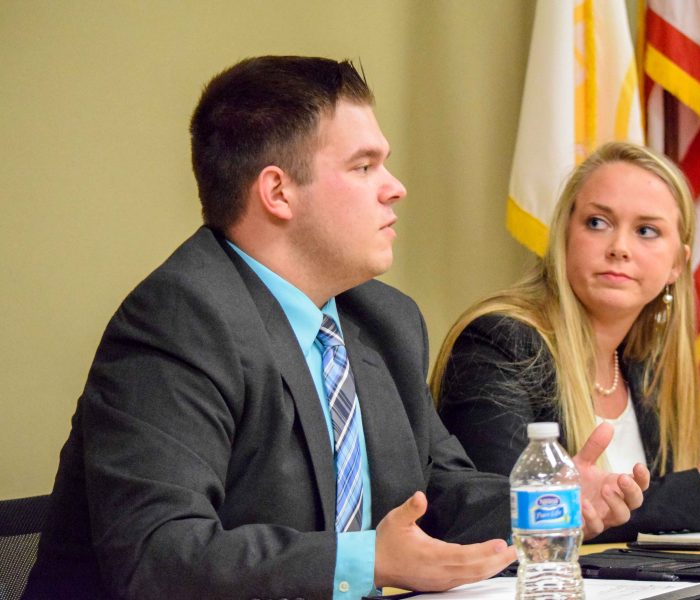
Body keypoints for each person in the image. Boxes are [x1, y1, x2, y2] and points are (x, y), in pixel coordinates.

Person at [23, 57, 649, 600]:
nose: (395, 188)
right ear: (278, 191)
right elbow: (158, 556)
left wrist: (545, 501)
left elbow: (440, 493)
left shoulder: (383, 319)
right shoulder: (180, 321)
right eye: (364, 166)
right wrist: (366, 561)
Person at [433, 141, 700, 542]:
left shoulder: (643, 365)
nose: (619, 248)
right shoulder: (498, 344)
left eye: (646, 231)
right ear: (563, 236)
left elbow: (694, 487)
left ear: (676, 266)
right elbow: (498, 519)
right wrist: (699, 488)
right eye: (597, 223)